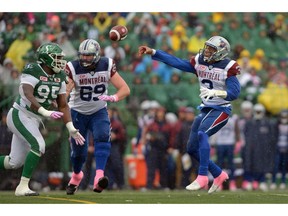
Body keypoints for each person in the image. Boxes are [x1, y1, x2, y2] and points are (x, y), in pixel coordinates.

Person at [138, 35, 241, 194]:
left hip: (221, 109)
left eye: (211, 49)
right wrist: (154, 52)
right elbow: (178, 62)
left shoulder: (228, 67)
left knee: (202, 133)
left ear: (221, 52)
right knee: (192, 148)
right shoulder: (200, 61)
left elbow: (234, 93)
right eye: (207, 47)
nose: (207, 51)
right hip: (206, 109)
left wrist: (216, 93)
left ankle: (202, 176)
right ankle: (218, 174)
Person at [0, 42, 85, 196]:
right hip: (20, 114)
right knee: (39, 145)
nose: (60, 61)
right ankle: (22, 187)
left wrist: (71, 128)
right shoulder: (33, 70)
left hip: (33, 119)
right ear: (46, 58)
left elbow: (63, 105)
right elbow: (27, 93)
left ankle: (22, 185)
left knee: (14, 162)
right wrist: (44, 112)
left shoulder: (59, 76)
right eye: (57, 57)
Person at [65, 39, 130, 195]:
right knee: (79, 153)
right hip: (78, 113)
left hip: (99, 111)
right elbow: (65, 92)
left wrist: (113, 98)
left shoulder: (106, 65)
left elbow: (124, 89)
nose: (85, 59)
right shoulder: (73, 68)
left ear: (96, 55)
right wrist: (63, 97)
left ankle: (99, 176)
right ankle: (76, 175)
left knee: (102, 136)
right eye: (83, 55)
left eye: (89, 56)